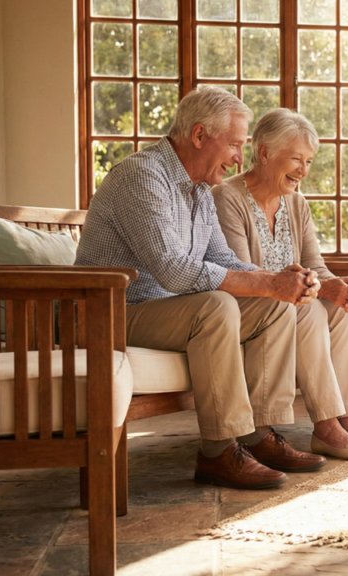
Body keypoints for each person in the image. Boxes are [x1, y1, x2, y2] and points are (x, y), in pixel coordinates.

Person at [75, 87, 329, 490]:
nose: (238, 158)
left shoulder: (198, 191)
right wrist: (268, 282)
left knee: (275, 305)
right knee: (215, 306)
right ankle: (218, 451)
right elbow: (175, 272)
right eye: (234, 145)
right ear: (198, 136)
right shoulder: (142, 176)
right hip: (113, 312)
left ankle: (257, 435)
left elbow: (224, 261)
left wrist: (280, 284)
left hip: (165, 309)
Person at [211, 108, 348, 459]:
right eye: (296, 159)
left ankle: (346, 419)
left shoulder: (297, 204)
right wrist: (322, 289)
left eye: (309, 161)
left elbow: (315, 266)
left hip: (293, 303)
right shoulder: (228, 198)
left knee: (341, 309)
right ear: (264, 153)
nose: (304, 170)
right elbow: (242, 273)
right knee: (309, 313)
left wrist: (339, 286)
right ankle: (325, 427)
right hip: (251, 308)